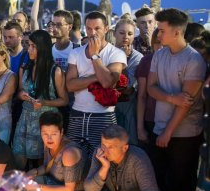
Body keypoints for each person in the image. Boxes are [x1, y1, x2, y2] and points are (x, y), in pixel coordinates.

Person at [147, 8, 207, 191]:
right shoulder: (159, 55)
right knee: (160, 185)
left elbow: (187, 104)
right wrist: (172, 98)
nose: (158, 34)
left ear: (177, 32)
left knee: (181, 189)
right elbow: (150, 88)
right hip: (160, 128)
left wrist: (168, 133)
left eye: (162, 30)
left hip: (185, 134)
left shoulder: (194, 60)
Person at [65, 11, 127, 155]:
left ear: (106, 29)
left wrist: (94, 55)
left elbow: (107, 83)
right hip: (78, 114)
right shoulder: (75, 53)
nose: (92, 32)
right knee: (72, 158)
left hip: (103, 116)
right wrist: (97, 77)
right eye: (88, 28)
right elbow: (70, 85)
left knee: (101, 159)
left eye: (97, 28)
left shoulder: (116, 53)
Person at [12, 30, 68, 169]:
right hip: (25, 118)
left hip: (46, 122)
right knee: (19, 157)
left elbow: (64, 100)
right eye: (29, 45)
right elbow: (19, 92)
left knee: (43, 162)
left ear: (42, 48)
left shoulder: (55, 71)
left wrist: (44, 102)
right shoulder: (24, 68)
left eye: (33, 46)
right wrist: (22, 95)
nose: (29, 49)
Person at [26, 111, 86, 191]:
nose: (49, 138)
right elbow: (47, 167)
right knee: (22, 187)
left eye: (53, 134)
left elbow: (69, 190)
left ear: (61, 132)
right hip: (55, 184)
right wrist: (33, 172)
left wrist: (37, 187)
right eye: (45, 133)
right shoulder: (48, 144)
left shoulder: (69, 152)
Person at [113, 18, 143, 146]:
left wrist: (122, 61)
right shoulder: (106, 53)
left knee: (128, 144)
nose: (126, 37)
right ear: (114, 34)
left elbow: (126, 88)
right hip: (107, 108)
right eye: (122, 33)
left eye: (130, 34)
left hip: (127, 106)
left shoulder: (137, 58)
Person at [135, 30, 161, 150]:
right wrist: (140, 128)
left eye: (163, 43)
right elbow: (142, 96)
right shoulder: (147, 61)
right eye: (157, 43)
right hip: (151, 119)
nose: (160, 47)